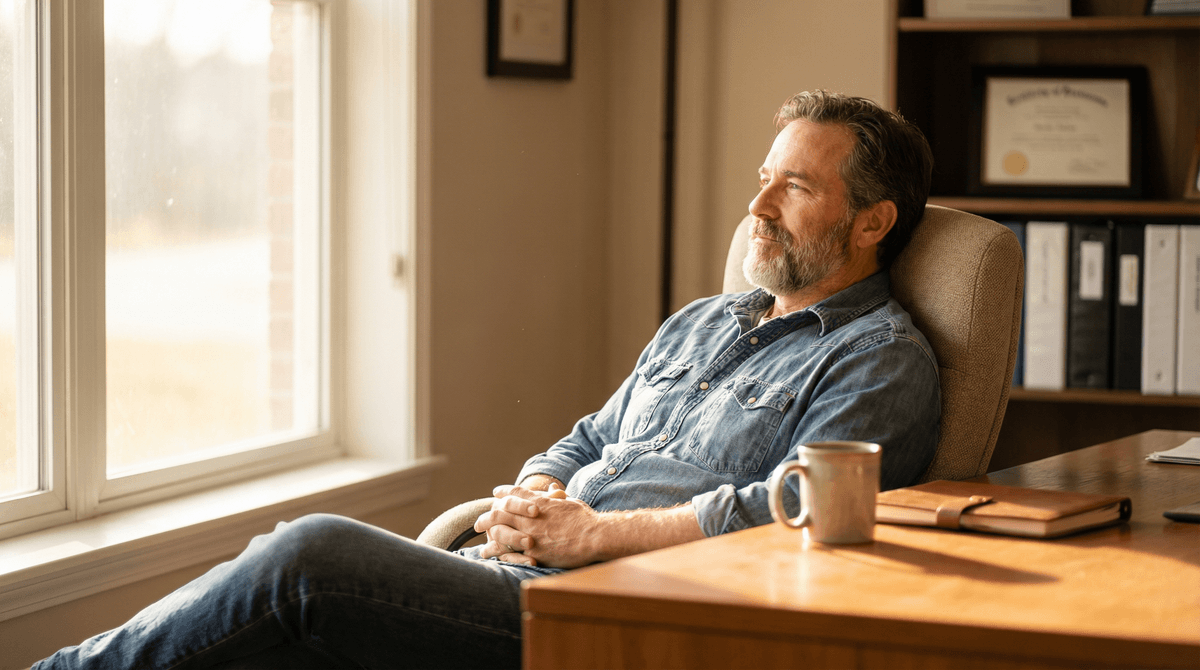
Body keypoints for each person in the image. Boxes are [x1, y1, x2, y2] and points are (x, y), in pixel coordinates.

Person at [34, 90, 938, 669]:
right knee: (266, 644)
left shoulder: (878, 360)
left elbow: (790, 516)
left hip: (609, 617)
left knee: (309, 557)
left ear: (872, 223)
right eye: (762, 179)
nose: (757, 208)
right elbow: (591, 437)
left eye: (797, 189)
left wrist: (591, 538)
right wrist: (541, 491)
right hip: (513, 563)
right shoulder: (705, 321)